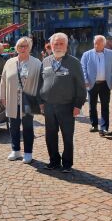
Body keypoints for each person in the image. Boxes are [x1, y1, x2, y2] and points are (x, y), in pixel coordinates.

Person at [38, 33, 86, 173]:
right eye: (55, 44)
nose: (58, 46)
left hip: (67, 107)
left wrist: (78, 105)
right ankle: (54, 161)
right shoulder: (45, 61)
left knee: (67, 136)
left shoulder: (74, 62)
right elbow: (40, 83)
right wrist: (40, 102)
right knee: (50, 136)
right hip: (49, 106)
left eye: (61, 44)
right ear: (51, 45)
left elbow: (81, 86)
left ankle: (66, 164)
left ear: (66, 45)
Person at [0, 37, 42, 164]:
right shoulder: (9, 62)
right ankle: (16, 150)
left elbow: (41, 83)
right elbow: (3, 80)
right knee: (13, 126)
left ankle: (28, 152)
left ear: (29, 47)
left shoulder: (36, 63)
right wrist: (2, 96)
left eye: (25, 46)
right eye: (20, 46)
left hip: (29, 100)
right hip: (13, 99)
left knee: (28, 127)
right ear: (16, 48)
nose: (22, 48)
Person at [80, 35, 112, 137]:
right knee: (92, 105)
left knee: (105, 106)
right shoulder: (86, 54)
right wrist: (85, 80)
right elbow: (83, 68)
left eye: (99, 43)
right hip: (91, 84)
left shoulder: (111, 54)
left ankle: (104, 128)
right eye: (95, 43)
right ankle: (94, 125)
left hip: (105, 84)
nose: (96, 45)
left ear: (104, 44)